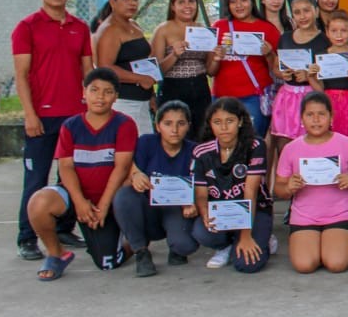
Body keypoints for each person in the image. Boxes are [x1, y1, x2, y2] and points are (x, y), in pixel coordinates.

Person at [25, 68, 137, 280]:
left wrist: (102, 207)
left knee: (108, 263)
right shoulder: (71, 126)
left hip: (107, 200)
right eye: (94, 90)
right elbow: (66, 167)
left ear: (116, 96)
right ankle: (56, 254)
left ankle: (133, 243)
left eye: (107, 92)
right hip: (77, 197)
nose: (100, 97)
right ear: (83, 92)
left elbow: (121, 168)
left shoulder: (124, 124)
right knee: (38, 203)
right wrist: (79, 202)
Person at [12, 0, 93, 260]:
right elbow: (21, 75)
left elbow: (88, 72)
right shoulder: (27, 27)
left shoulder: (79, 27)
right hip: (43, 116)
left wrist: (91, 110)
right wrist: (30, 114)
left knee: (71, 176)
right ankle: (27, 237)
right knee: (36, 179)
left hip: (75, 115)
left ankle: (63, 228)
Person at [274, 92, 348, 273]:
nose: (316, 120)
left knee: (336, 264)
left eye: (321, 114)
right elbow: (278, 188)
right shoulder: (291, 149)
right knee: (304, 265)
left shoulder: (347, 144)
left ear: (331, 117)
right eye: (310, 114)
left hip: (341, 213)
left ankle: (332, 243)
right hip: (304, 215)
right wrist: (288, 187)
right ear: (301, 118)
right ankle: (317, 245)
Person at [114, 100, 199, 275]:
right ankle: (141, 251)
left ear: (188, 126)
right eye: (168, 124)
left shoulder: (195, 151)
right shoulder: (146, 143)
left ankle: (176, 248)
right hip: (148, 208)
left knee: (185, 245)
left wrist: (193, 204)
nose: (174, 130)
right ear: (158, 126)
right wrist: (136, 176)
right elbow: (128, 175)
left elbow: (202, 187)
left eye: (181, 123)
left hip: (177, 210)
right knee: (124, 196)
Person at [191, 97, 276, 272]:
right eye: (217, 122)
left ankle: (260, 237)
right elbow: (201, 193)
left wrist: (246, 236)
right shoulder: (201, 152)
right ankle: (224, 246)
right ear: (210, 124)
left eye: (229, 121)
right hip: (221, 210)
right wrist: (205, 212)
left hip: (254, 209)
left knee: (247, 265)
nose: (223, 127)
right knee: (201, 231)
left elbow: (250, 191)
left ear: (240, 121)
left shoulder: (255, 146)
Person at [206, 0, 280, 136]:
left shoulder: (268, 29)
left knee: (252, 141)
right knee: (224, 141)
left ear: (252, 1)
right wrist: (217, 58)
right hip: (222, 98)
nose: (239, 5)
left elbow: (278, 70)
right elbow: (211, 71)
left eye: (243, 0)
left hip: (254, 98)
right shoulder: (219, 26)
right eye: (233, 1)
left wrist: (269, 54)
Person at [90, 0, 156, 135]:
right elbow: (105, 67)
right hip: (123, 101)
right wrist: (139, 79)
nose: (132, 3)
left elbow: (143, 62)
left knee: (144, 146)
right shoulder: (109, 29)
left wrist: (151, 93)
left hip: (143, 100)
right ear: (113, 2)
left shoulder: (134, 25)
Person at [269, 0, 329, 160]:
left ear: (316, 11)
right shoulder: (285, 38)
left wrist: (309, 76)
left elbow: (328, 77)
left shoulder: (325, 41)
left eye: (306, 11)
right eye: (297, 12)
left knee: (310, 144)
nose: (302, 16)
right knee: (283, 145)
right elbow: (276, 67)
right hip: (287, 97)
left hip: (311, 96)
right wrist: (283, 74)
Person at [151, 0, 213, 131]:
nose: (187, 6)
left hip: (200, 88)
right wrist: (174, 55)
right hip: (172, 89)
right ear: (173, 6)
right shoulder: (163, 30)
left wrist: (216, 56)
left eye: (191, 1)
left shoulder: (203, 30)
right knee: (174, 133)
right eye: (181, 2)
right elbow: (155, 71)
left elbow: (211, 71)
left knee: (201, 133)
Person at [309, 11, 348, 153]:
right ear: (327, 32)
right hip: (330, 103)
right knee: (331, 143)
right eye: (334, 31)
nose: (339, 35)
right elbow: (320, 89)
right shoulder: (321, 56)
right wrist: (311, 77)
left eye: (343, 31)